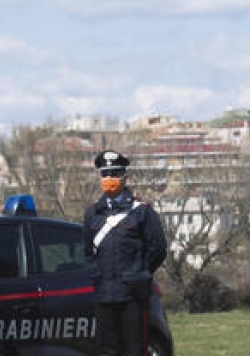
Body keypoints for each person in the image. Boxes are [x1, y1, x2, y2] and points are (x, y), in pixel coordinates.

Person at [83, 150, 167, 356]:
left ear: (125, 177)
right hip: (104, 294)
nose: (109, 178)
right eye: (105, 174)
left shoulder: (141, 211)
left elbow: (157, 248)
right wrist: (97, 275)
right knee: (106, 351)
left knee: (134, 350)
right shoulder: (93, 213)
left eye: (115, 174)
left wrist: (140, 274)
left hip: (132, 296)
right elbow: (88, 251)